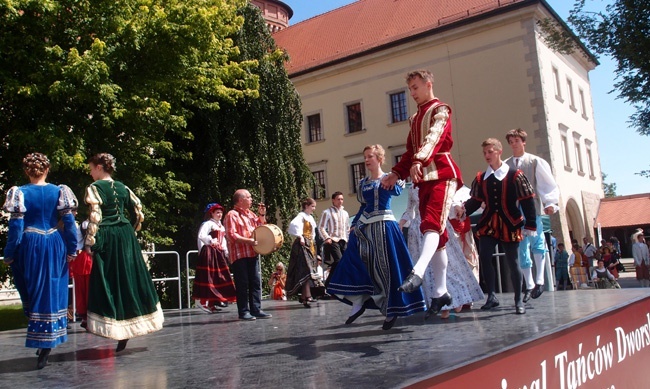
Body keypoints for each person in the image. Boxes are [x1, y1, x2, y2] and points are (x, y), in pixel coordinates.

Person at [380, 70, 462, 317]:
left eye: (416, 88)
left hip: (442, 174)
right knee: (438, 237)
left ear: (429, 84)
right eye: (410, 89)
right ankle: (440, 291)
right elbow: (410, 150)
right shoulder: (414, 118)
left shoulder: (441, 110)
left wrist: (419, 160)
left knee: (431, 225)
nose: (412, 93)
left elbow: (434, 138)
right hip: (422, 179)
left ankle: (418, 272)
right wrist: (397, 172)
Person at [328, 145, 426, 330]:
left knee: (388, 268)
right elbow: (363, 207)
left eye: (370, 156)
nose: (366, 160)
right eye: (365, 156)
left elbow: (398, 190)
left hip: (386, 227)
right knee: (353, 260)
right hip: (366, 228)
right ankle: (358, 300)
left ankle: (391, 308)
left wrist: (395, 178)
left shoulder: (389, 178)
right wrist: (355, 224)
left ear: (379, 158)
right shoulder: (363, 183)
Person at [2, 153, 78, 369]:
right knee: (53, 288)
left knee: (33, 290)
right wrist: (72, 248)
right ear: (47, 169)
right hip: (54, 241)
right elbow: (69, 223)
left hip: (31, 242)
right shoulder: (59, 191)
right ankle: (47, 340)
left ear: (27, 171)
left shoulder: (21, 193)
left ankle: (42, 341)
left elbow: (16, 228)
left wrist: (9, 253)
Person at [84, 153, 164, 352]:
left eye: (92, 168)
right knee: (129, 278)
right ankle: (130, 325)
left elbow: (95, 217)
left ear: (100, 167)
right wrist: (131, 232)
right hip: (126, 236)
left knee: (108, 279)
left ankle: (114, 325)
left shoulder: (94, 188)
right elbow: (137, 213)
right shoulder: (122, 187)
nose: (91, 172)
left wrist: (91, 242)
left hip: (108, 236)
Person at [457, 138, 537, 315]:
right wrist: (464, 211)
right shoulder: (481, 178)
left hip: (510, 222)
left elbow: (527, 200)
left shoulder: (515, 175)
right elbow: (476, 200)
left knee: (512, 261)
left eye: (490, 152)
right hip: (489, 223)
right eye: (485, 152)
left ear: (499, 152)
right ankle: (491, 296)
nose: (487, 155)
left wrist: (531, 223)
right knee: (485, 257)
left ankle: (518, 299)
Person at [401, 186, 483, 319]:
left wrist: (456, 207)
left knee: (449, 267)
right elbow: (410, 211)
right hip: (418, 230)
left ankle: (454, 300)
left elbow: (447, 201)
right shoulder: (412, 189)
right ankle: (438, 304)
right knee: (427, 271)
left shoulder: (434, 183)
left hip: (435, 225)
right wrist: (401, 223)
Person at [504, 128, 560, 302]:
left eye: (516, 141)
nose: (514, 144)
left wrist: (550, 203)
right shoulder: (506, 165)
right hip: (514, 210)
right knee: (521, 246)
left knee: (538, 241)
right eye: (511, 142)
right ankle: (528, 284)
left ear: (523, 142)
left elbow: (546, 184)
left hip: (531, 208)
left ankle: (540, 280)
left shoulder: (535, 161)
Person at [224, 189, 272, 321]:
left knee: (255, 282)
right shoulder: (231, 215)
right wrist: (249, 241)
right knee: (242, 283)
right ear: (241, 200)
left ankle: (256, 309)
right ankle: (244, 311)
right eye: (249, 197)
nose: (251, 199)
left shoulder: (250, 214)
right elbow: (231, 235)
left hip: (252, 253)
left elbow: (261, 227)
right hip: (239, 254)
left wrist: (262, 215)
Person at [193, 203, 237, 313]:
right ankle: (204, 302)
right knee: (209, 277)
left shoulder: (221, 226)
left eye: (221, 212)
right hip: (209, 252)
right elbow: (201, 236)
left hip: (218, 253)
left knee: (218, 277)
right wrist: (210, 241)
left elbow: (224, 241)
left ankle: (212, 303)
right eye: (217, 212)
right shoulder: (207, 224)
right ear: (211, 213)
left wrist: (226, 251)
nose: (219, 214)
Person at [285, 197, 324, 308]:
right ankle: (307, 295)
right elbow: (293, 225)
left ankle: (305, 296)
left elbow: (314, 234)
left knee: (307, 271)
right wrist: (300, 236)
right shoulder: (301, 216)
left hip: (310, 245)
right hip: (302, 245)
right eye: (312, 206)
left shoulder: (310, 217)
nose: (314, 209)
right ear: (306, 206)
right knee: (306, 270)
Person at [318, 191, 350, 286]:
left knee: (345, 262)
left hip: (343, 240)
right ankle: (328, 284)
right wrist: (327, 237)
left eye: (342, 199)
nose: (340, 201)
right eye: (338, 199)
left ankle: (339, 284)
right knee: (339, 260)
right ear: (333, 200)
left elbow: (347, 228)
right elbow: (321, 227)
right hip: (333, 240)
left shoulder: (345, 213)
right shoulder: (327, 212)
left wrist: (348, 239)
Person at [70, 216, 93, 328]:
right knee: (89, 290)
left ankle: (85, 317)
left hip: (82, 259)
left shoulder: (82, 225)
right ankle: (89, 317)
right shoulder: (94, 224)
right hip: (91, 259)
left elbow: (76, 242)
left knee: (82, 290)